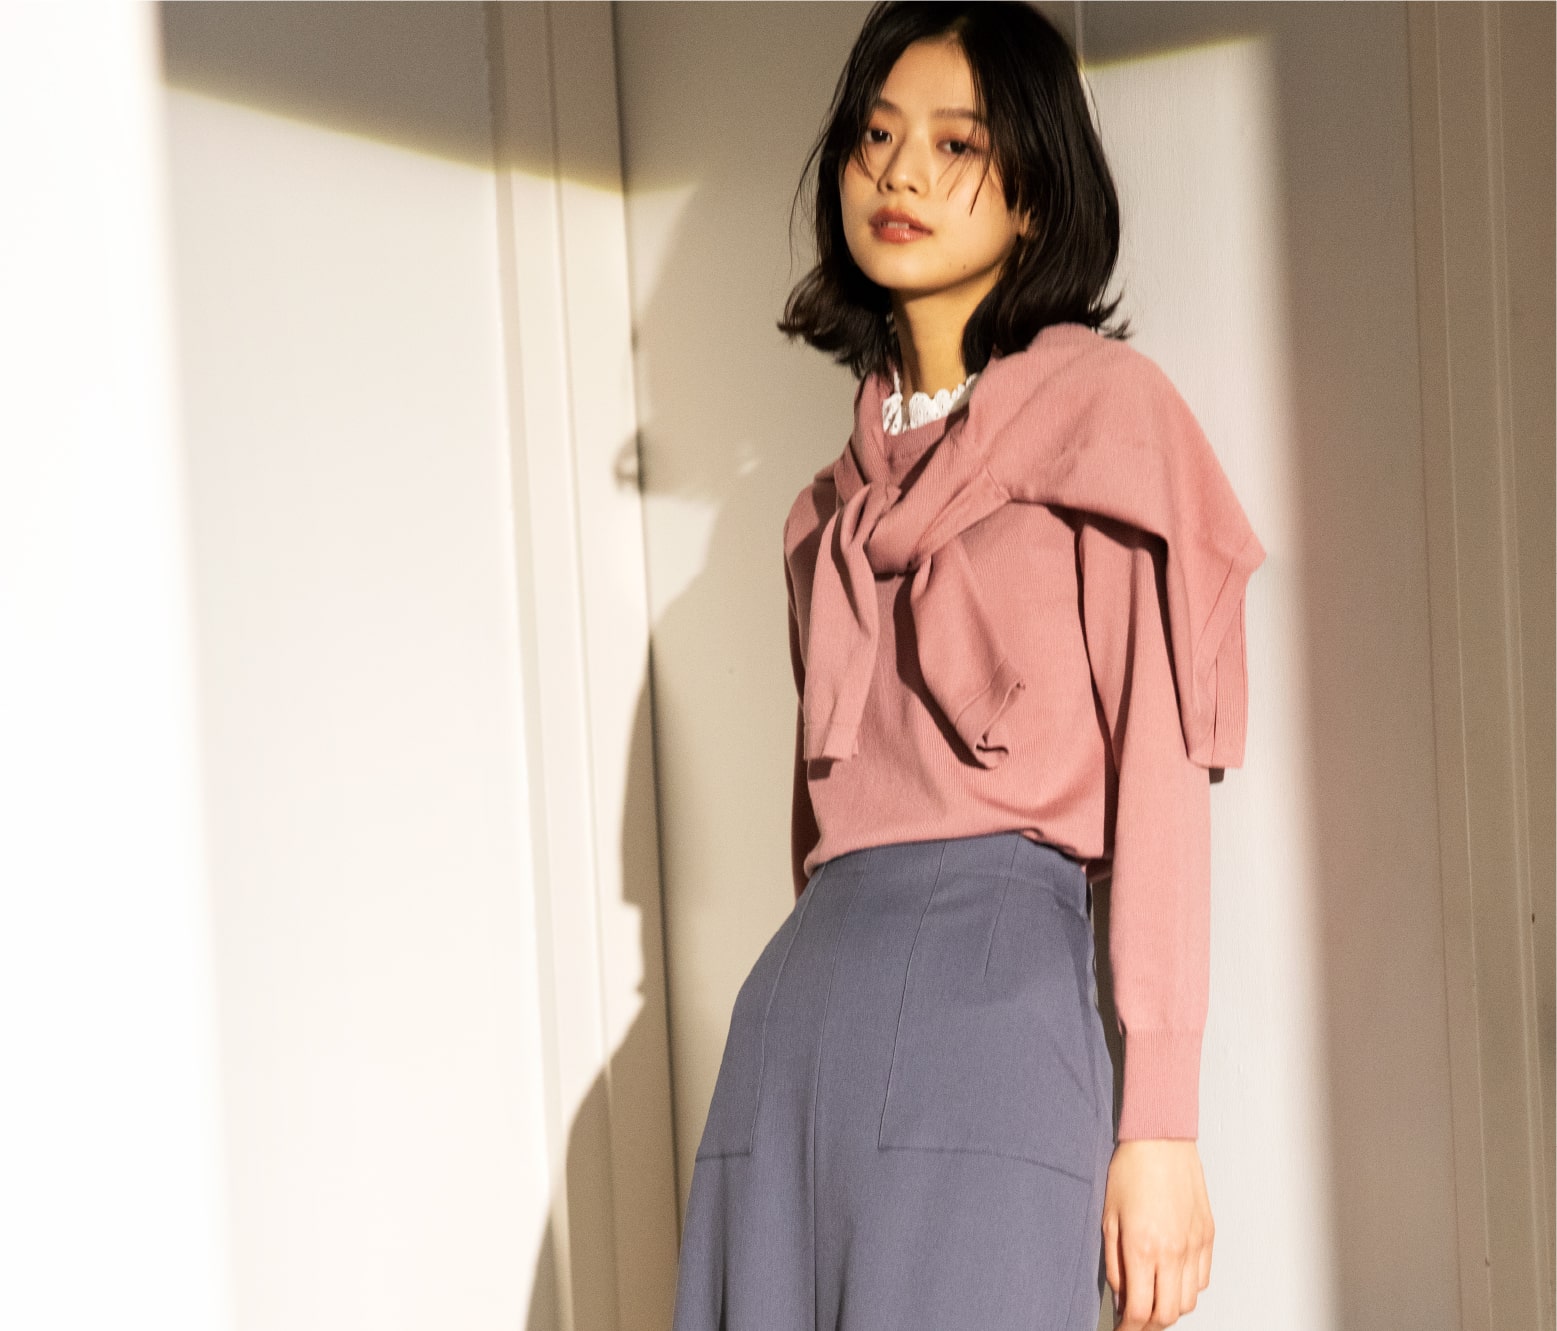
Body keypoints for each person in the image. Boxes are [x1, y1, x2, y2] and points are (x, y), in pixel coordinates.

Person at [670, 4, 1266, 1329]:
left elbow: (1162, 781)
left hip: (994, 1012)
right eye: (875, 137)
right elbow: (814, 831)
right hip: (793, 1029)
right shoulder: (820, 519)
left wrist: (1160, 1123)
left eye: (956, 144)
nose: (901, 174)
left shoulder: (1109, 427)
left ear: (1036, 196)